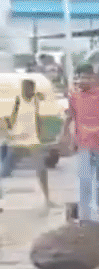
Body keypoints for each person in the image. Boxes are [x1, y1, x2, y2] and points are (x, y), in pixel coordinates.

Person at [60, 63, 99, 221]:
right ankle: (85, 216)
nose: (81, 80)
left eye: (85, 76)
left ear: (93, 78)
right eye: (78, 77)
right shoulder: (74, 96)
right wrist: (66, 136)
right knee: (84, 179)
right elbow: (71, 116)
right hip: (84, 143)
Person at [1, 79, 55, 209]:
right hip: (17, 140)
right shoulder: (16, 101)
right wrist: (7, 133)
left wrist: (42, 136)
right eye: (25, 88)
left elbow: (39, 116)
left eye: (30, 88)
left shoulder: (36, 100)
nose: (28, 91)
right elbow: (5, 119)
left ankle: (47, 200)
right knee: (4, 171)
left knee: (41, 169)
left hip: (32, 141)